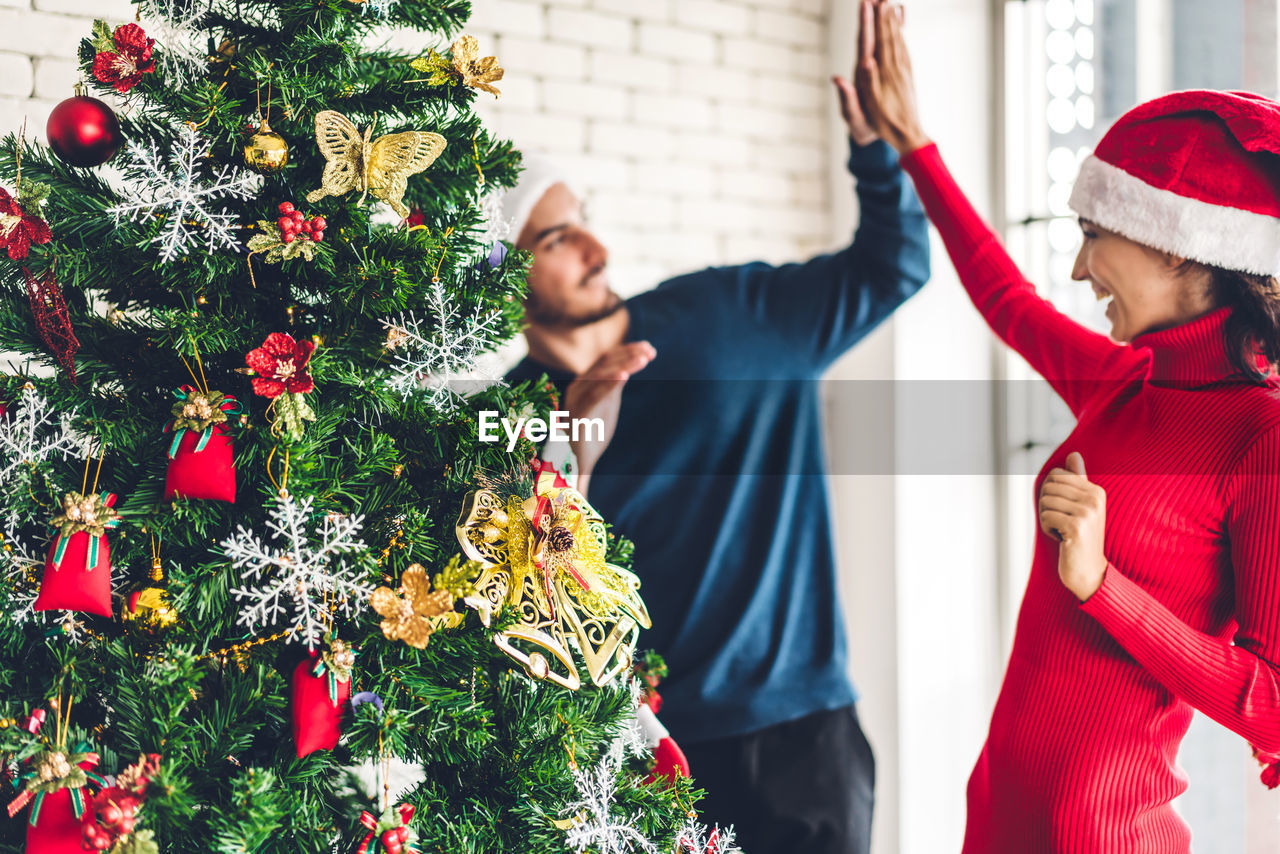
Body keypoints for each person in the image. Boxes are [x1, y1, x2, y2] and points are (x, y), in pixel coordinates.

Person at [500, 15, 932, 853]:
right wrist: (570, 456)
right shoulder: (509, 416)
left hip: (805, 737)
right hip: (644, 753)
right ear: (506, 276)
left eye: (584, 219)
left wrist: (879, 155)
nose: (595, 247)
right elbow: (522, 594)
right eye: (556, 239)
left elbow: (895, 267)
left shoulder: (731, 311)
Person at [854, 1, 1280, 850]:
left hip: (1102, 835)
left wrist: (1102, 587)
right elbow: (1004, 298)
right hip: (1000, 810)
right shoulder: (1124, 381)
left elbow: (1270, 705)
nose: (1081, 268)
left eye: (1094, 235)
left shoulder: (1258, 440)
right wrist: (913, 146)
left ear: (1177, 245)